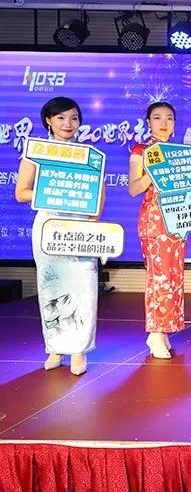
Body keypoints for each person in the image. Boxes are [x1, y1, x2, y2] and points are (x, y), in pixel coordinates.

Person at [14, 97, 101, 376]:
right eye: (61, 117)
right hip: (49, 226)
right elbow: (21, 192)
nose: (68, 123)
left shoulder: (89, 155)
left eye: (74, 118)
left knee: (84, 286)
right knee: (51, 288)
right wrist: (54, 195)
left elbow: (98, 195)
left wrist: (92, 218)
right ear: (48, 121)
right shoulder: (36, 152)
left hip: (80, 228)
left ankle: (79, 351)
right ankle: (55, 347)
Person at [128, 101, 185, 359]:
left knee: (173, 276)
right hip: (154, 219)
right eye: (157, 117)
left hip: (179, 219)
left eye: (169, 118)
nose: (164, 123)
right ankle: (155, 331)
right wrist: (153, 172)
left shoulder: (181, 153)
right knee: (158, 276)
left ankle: (164, 329)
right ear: (148, 122)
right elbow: (133, 188)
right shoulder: (141, 151)